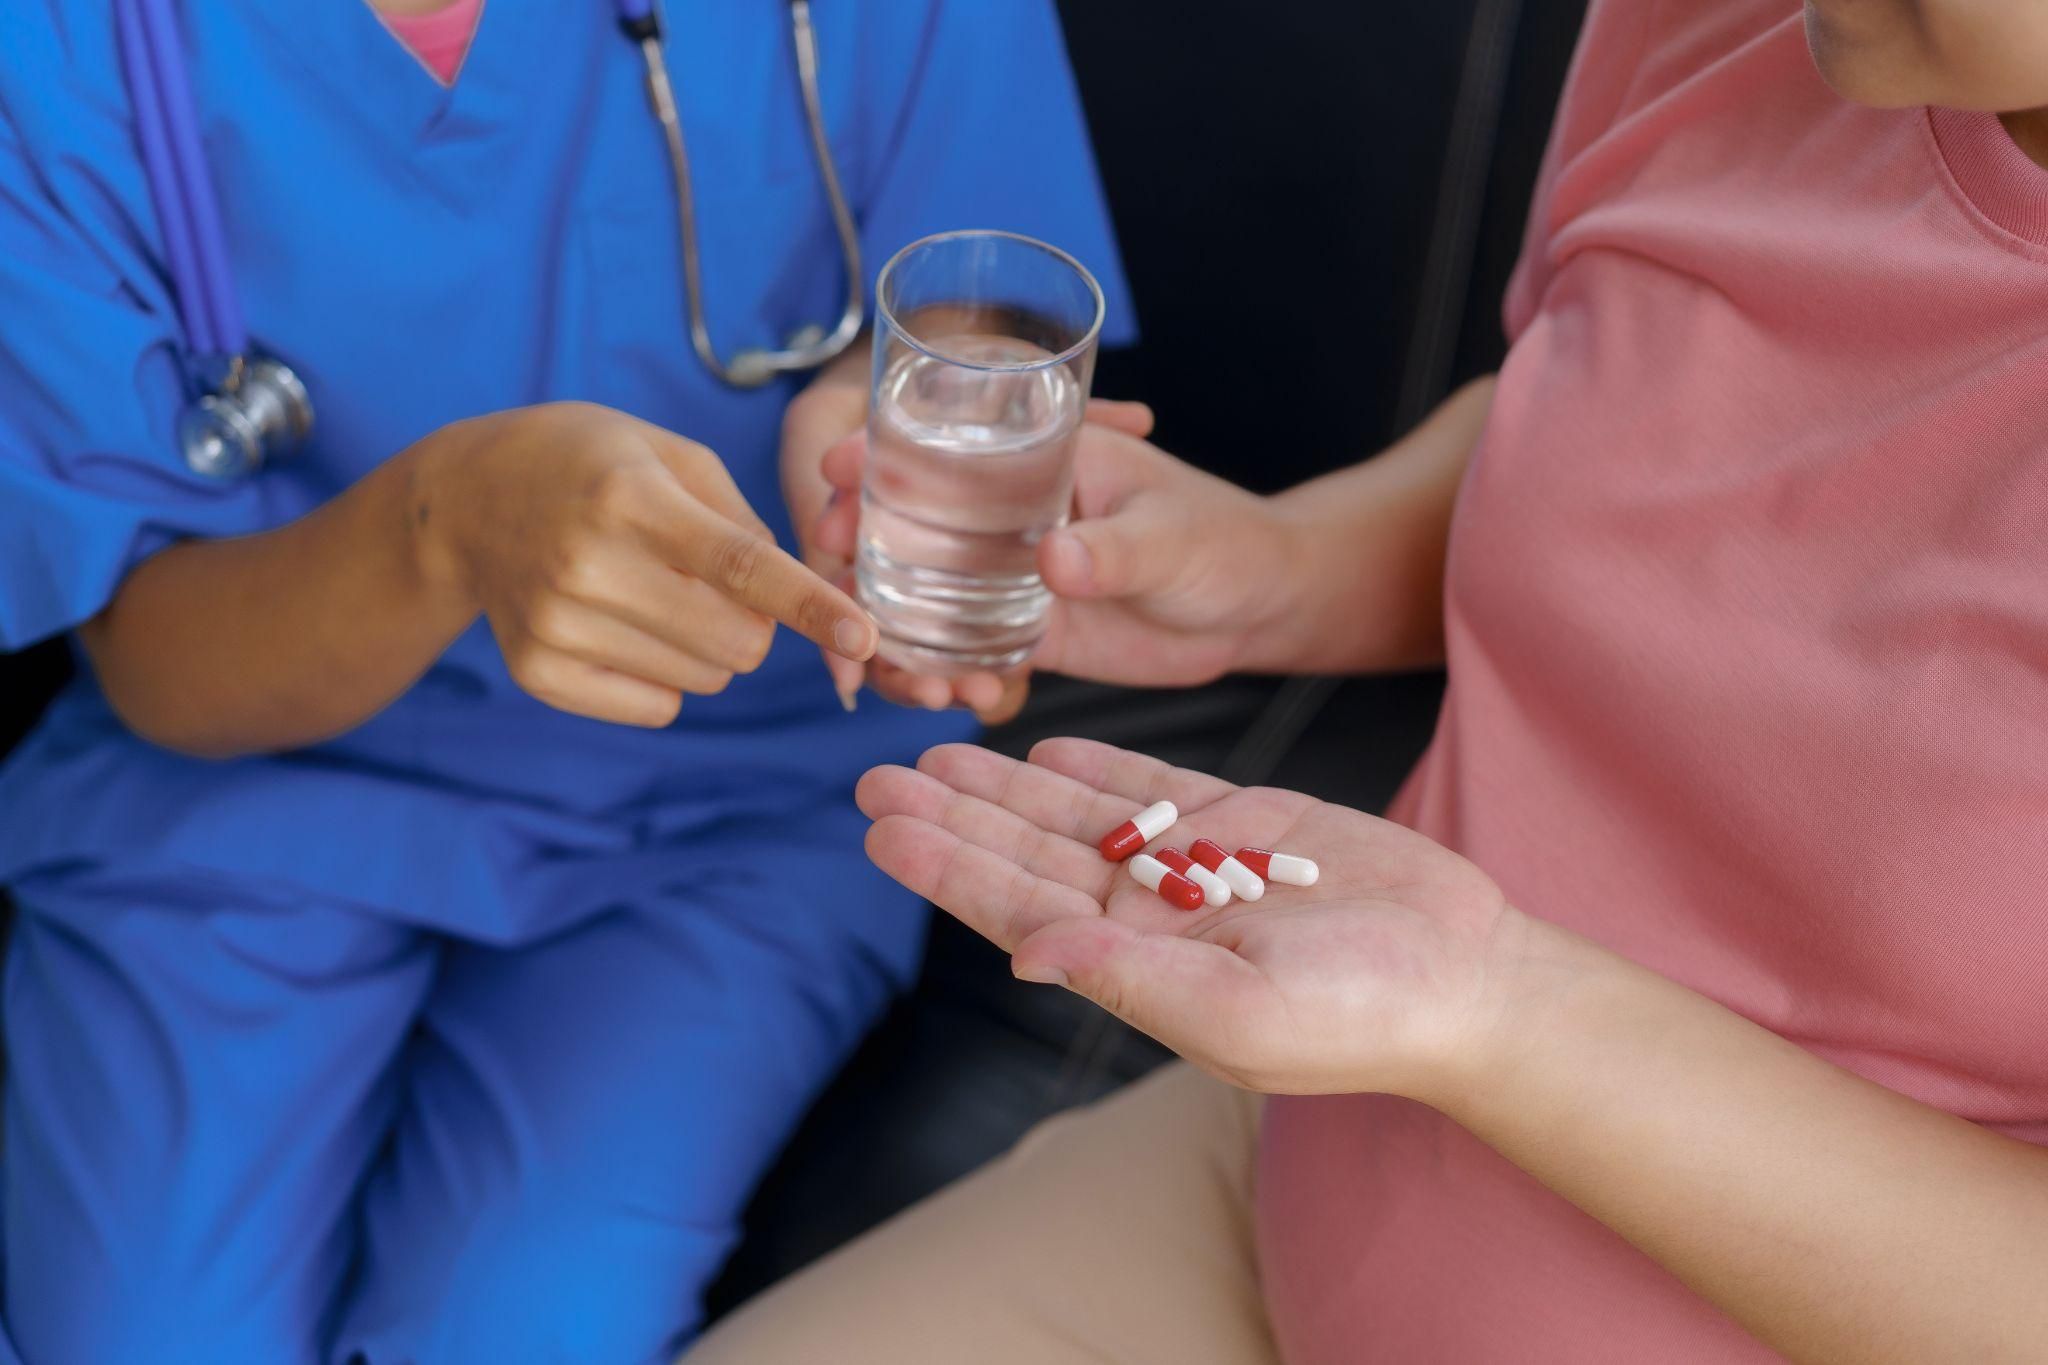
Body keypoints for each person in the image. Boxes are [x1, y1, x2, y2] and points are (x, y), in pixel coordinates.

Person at [687, 0, 2048, 1360]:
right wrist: (1283, 567)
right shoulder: (1745, 25)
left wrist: (1501, 1009)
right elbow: (1612, 397)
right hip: (1299, 1175)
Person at [0, 2, 1133, 1361]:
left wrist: (884, 428)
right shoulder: (62, 45)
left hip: (732, 792)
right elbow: (159, 664)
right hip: (254, 778)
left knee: (520, 1327)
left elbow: (977, 285)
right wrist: (446, 523)